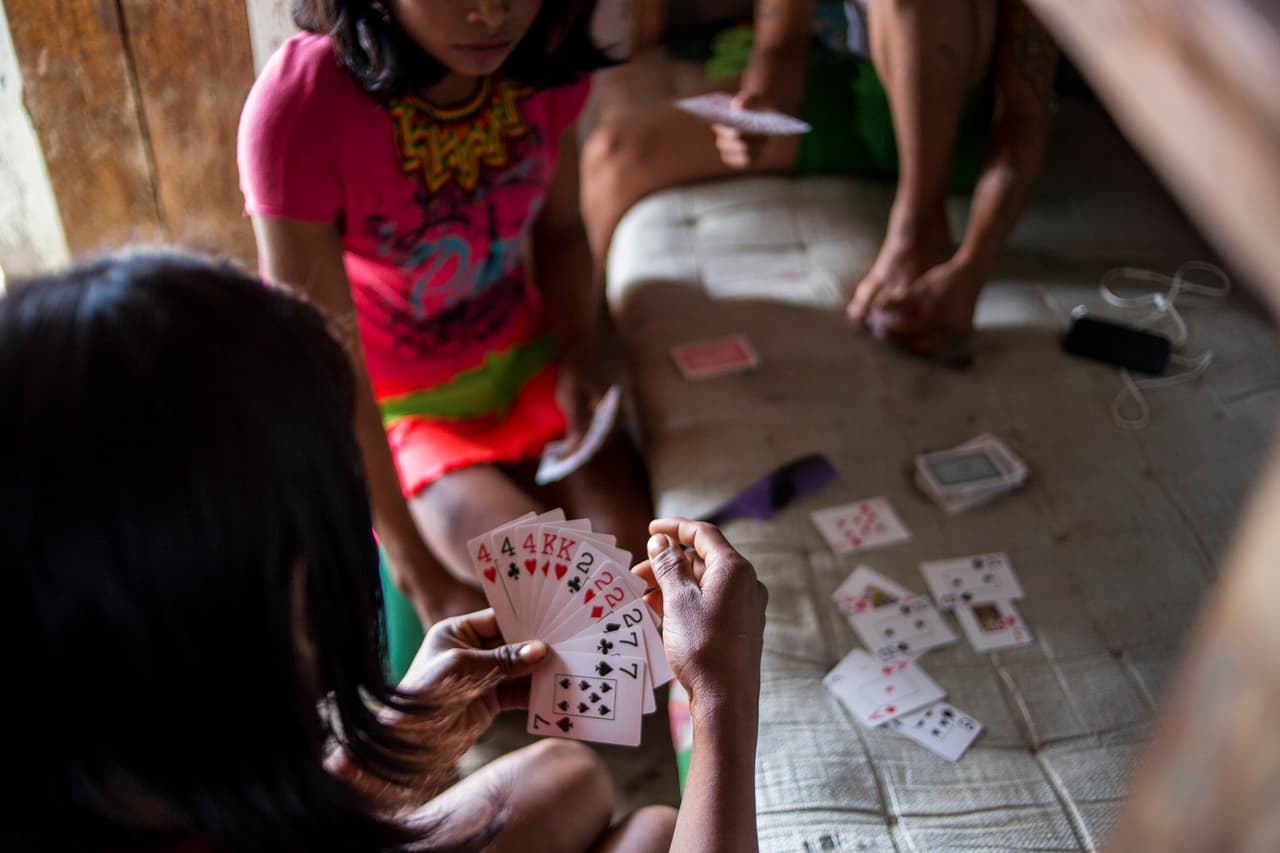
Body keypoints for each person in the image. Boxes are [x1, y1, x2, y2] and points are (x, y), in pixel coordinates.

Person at [4, 249, 768, 852]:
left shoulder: (100, 752)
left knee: (566, 774)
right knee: (655, 832)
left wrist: (405, 736)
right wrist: (722, 696)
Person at [237, 0, 654, 670]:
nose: (489, 13)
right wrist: (410, 566)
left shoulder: (548, 46)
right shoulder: (301, 107)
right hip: (405, 407)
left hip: (526, 360)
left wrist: (581, 349)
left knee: (636, 579)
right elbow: (317, 363)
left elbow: (564, 232)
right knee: (564, 604)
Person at [582, 0, 1058, 357]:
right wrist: (758, 112)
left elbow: (1023, 117)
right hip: (844, 83)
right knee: (613, 156)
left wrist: (972, 265)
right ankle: (589, 373)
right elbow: (780, 48)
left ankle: (918, 222)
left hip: (949, 128)